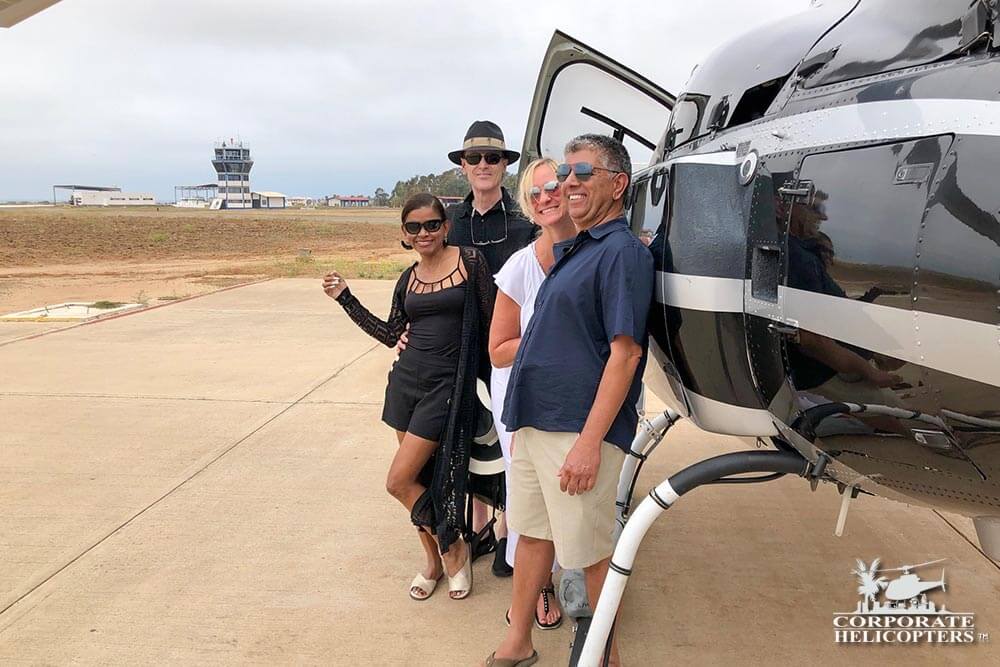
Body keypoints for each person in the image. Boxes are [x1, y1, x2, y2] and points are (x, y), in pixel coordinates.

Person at [485, 134, 654, 667]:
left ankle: (606, 659)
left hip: (575, 430)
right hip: (536, 423)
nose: (569, 182)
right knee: (533, 536)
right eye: (565, 173)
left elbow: (625, 355)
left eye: (584, 172)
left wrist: (589, 443)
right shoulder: (578, 248)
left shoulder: (621, 253)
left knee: (591, 553)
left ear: (618, 184)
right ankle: (518, 642)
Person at [322, 193, 495, 602]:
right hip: (405, 385)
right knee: (415, 481)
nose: (424, 233)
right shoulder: (408, 279)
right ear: (404, 233)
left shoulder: (470, 262)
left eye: (432, 224)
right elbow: (389, 333)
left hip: (446, 388)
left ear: (446, 225)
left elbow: (489, 325)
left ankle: (454, 548)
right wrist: (346, 298)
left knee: (399, 481)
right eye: (414, 227)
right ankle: (435, 561)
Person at [445, 120, 537, 574]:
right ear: (463, 166)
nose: (483, 165)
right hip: (458, 351)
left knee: (507, 443)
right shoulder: (448, 225)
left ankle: (505, 528)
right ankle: (475, 524)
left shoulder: (524, 229)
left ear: (504, 166)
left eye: (493, 158)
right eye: (475, 158)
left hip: (507, 351)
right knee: (465, 434)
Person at [489, 158, 576, 631]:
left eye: (553, 186)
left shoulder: (595, 254)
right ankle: (539, 587)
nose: (545, 197)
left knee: (571, 494)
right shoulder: (520, 267)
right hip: (522, 403)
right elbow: (499, 350)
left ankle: (573, 576)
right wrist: (553, 335)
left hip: (576, 401)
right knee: (530, 501)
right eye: (534, 193)